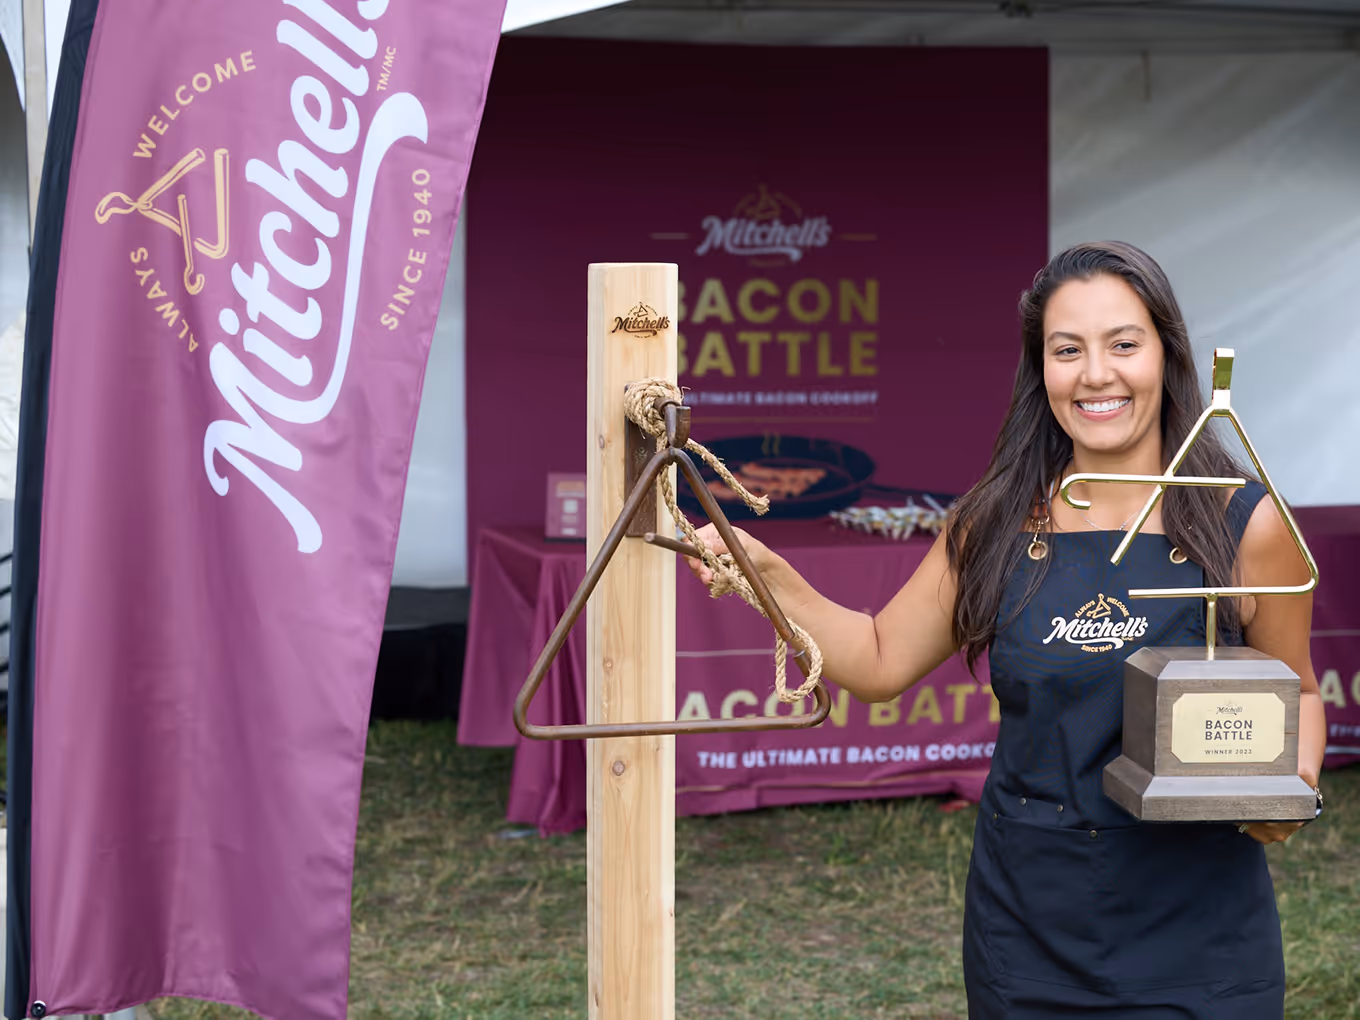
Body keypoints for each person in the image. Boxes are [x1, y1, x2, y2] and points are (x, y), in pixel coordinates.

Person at [685, 241, 1324, 1018]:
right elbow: (879, 660)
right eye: (1067, 350)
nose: (1096, 374)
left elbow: (1295, 691)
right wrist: (767, 575)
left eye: (1124, 344)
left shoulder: (1244, 524)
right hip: (1029, 929)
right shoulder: (994, 523)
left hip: (1203, 936)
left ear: (1167, 354)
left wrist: (1292, 791)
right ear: (1040, 369)